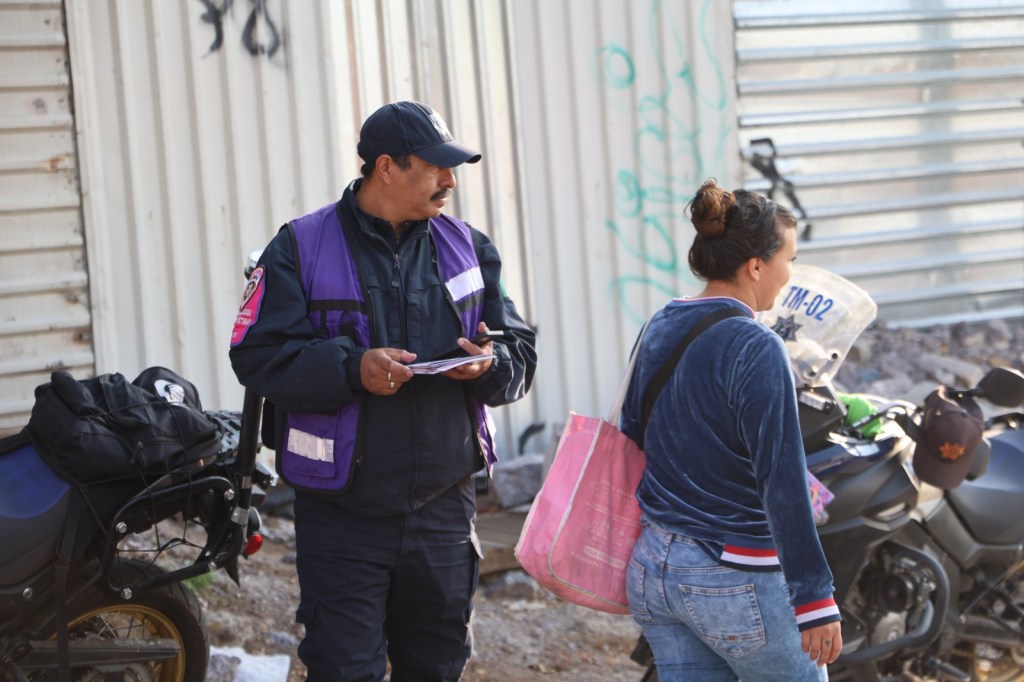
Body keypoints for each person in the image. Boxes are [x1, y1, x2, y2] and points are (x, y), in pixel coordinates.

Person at [229, 100, 537, 681]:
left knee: (437, 668)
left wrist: (489, 365)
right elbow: (257, 355)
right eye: (435, 167)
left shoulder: (469, 247)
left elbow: (519, 351)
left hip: (443, 512)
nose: (450, 181)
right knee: (344, 670)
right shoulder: (298, 247)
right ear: (387, 167)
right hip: (342, 518)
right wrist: (353, 369)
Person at [619, 179, 841, 681]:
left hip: (654, 565)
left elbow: (633, 430)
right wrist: (814, 597)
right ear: (756, 266)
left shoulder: (661, 323)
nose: (790, 273)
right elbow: (781, 478)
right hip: (732, 577)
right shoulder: (757, 346)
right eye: (789, 259)